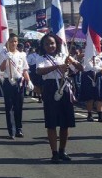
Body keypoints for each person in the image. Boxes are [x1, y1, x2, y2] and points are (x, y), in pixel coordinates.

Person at [36, 33, 84, 163]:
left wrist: (73, 61)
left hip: (65, 88)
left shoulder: (64, 56)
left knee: (65, 123)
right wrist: (57, 66)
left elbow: (81, 69)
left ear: (57, 44)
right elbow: (39, 71)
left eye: (52, 43)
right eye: (47, 44)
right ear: (43, 46)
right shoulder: (41, 58)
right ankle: (54, 152)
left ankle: (63, 150)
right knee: (51, 123)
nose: (50, 46)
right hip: (50, 89)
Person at [0, 34, 31, 139]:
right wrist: (5, 59)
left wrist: (28, 80)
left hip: (19, 82)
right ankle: (11, 130)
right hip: (8, 81)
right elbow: (2, 69)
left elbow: (24, 69)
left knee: (19, 107)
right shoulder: (4, 54)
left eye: (15, 41)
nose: (14, 43)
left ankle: (19, 129)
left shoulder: (22, 55)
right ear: (8, 42)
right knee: (9, 107)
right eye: (12, 41)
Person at [79, 53, 102, 122]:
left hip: (98, 78)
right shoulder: (85, 59)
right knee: (90, 98)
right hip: (88, 78)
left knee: (99, 98)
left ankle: (100, 116)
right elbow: (81, 69)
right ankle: (89, 115)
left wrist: (99, 68)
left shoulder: (98, 59)